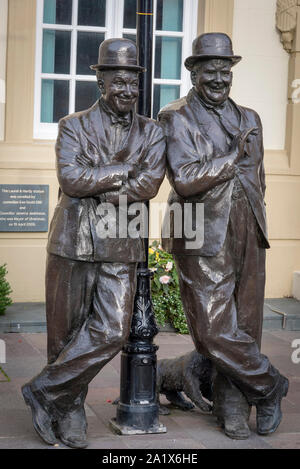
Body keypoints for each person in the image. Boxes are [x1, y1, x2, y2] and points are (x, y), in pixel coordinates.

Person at [21, 38, 166, 449]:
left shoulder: (153, 133)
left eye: (132, 83)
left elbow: (149, 185)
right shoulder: (72, 125)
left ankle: (43, 391)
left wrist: (100, 180)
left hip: (121, 245)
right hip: (73, 242)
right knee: (64, 337)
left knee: (111, 330)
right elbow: (71, 178)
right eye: (118, 81)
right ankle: (68, 411)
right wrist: (122, 171)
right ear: (100, 81)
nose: (126, 91)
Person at [158, 33, 288, 440]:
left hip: (248, 225)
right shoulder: (175, 116)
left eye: (225, 71)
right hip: (198, 228)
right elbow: (184, 178)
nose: (219, 79)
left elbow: (259, 179)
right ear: (194, 73)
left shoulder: (250, 117)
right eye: (210, 71)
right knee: (213, 329)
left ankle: (233, 408)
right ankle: (269, 387)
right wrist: (231, 158)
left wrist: (253, 216)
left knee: (246, 324)